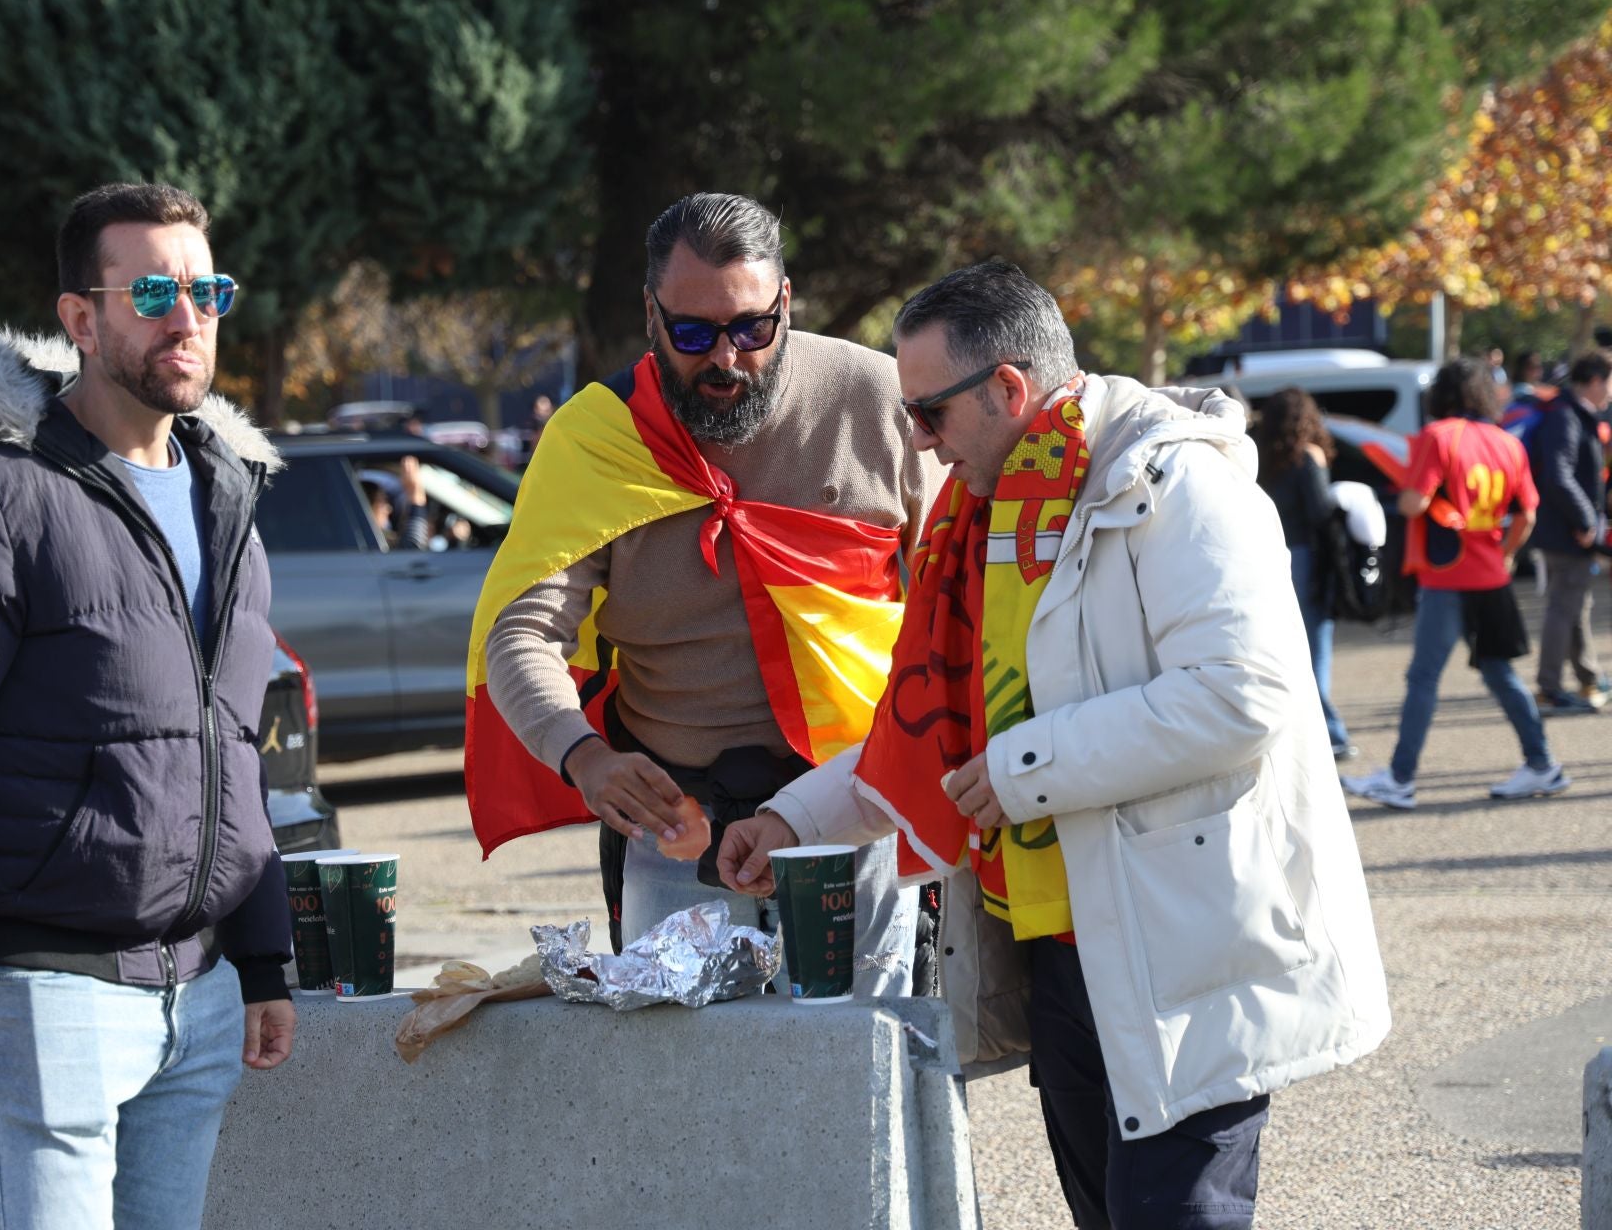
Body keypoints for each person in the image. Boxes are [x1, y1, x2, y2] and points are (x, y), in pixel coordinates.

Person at [718, 260, 1389, 1229]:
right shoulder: (978, 516)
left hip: (1184, 946)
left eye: (930, 413)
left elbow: (1244, 694)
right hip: (1063, 952)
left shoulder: (1178, 482)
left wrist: (1025, 768)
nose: (917, 439)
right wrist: (792, 817)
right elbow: (937, 738)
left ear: (1007, 389)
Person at [0, 182, 296, 1229]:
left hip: (201, 996)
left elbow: (233, 748)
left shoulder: (228, 499)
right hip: (45, 998)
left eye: (205, 290)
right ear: (81, 317)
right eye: (151, 291)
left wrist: (264, 957)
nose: (185, 318)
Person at [466, 192, 940, 987]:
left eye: (752, 328)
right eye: (693, 333)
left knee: (863, 1074)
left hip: (851, 810)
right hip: (673, 823)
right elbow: (522, 631)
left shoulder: (879, 403)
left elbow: (951, 609)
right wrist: (583, 758)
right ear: (650, 314)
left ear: (786, 302)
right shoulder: (596, 437)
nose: (725, 359)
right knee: (685, 1096)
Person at [1343, 357, 1567, 809]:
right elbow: (1528, 513)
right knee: (1499, 673)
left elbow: (1413, 503)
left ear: (1441, 394)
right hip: (1490, 574)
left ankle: (1401, 778)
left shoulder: (1438, 436)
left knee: (1423, 676)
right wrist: (1504, 556)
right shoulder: (1507, 443)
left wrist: (1404, 489)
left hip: (1446, 576)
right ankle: (1542, 763)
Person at [1256, 387, 1354, 758]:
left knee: (1283, 646)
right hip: (1306, 558)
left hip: (1269, 556)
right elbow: (1320, 513)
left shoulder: (1261, 458)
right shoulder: (1308, 457)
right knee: (1315, 646)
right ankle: (1329, 731)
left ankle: (1298, 729)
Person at [1529, 350, 1612, 713]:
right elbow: (1558, 475)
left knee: (1576, 604)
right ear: (1594, 381)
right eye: (1610, 382)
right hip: (1566, 532)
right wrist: (1585, 521)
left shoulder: (1572, 414)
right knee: (1564, 608)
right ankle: (1549, 688)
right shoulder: (1566, 417)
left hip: (1565, 529)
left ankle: (1588, 676)